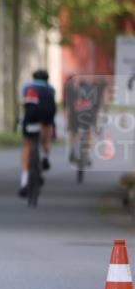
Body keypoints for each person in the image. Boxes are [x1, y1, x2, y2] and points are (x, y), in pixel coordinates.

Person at [18, 69, 57, 197]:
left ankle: (24, 181)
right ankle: (45, 157)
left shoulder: (27, 87)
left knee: (27, 145)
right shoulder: (51, 89)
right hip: (47, 115)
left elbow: (25, 105)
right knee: (46, 135)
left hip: (31, 117)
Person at [65, 74, 107, 165]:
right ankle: (86, 156)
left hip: (76, 115)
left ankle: (73, 150)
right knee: (88, 132)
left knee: (74, 132)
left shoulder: (75, 92)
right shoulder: (96, 92)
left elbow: (69, 107)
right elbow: (99, 108)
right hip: (89, 116)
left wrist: (68, 120)